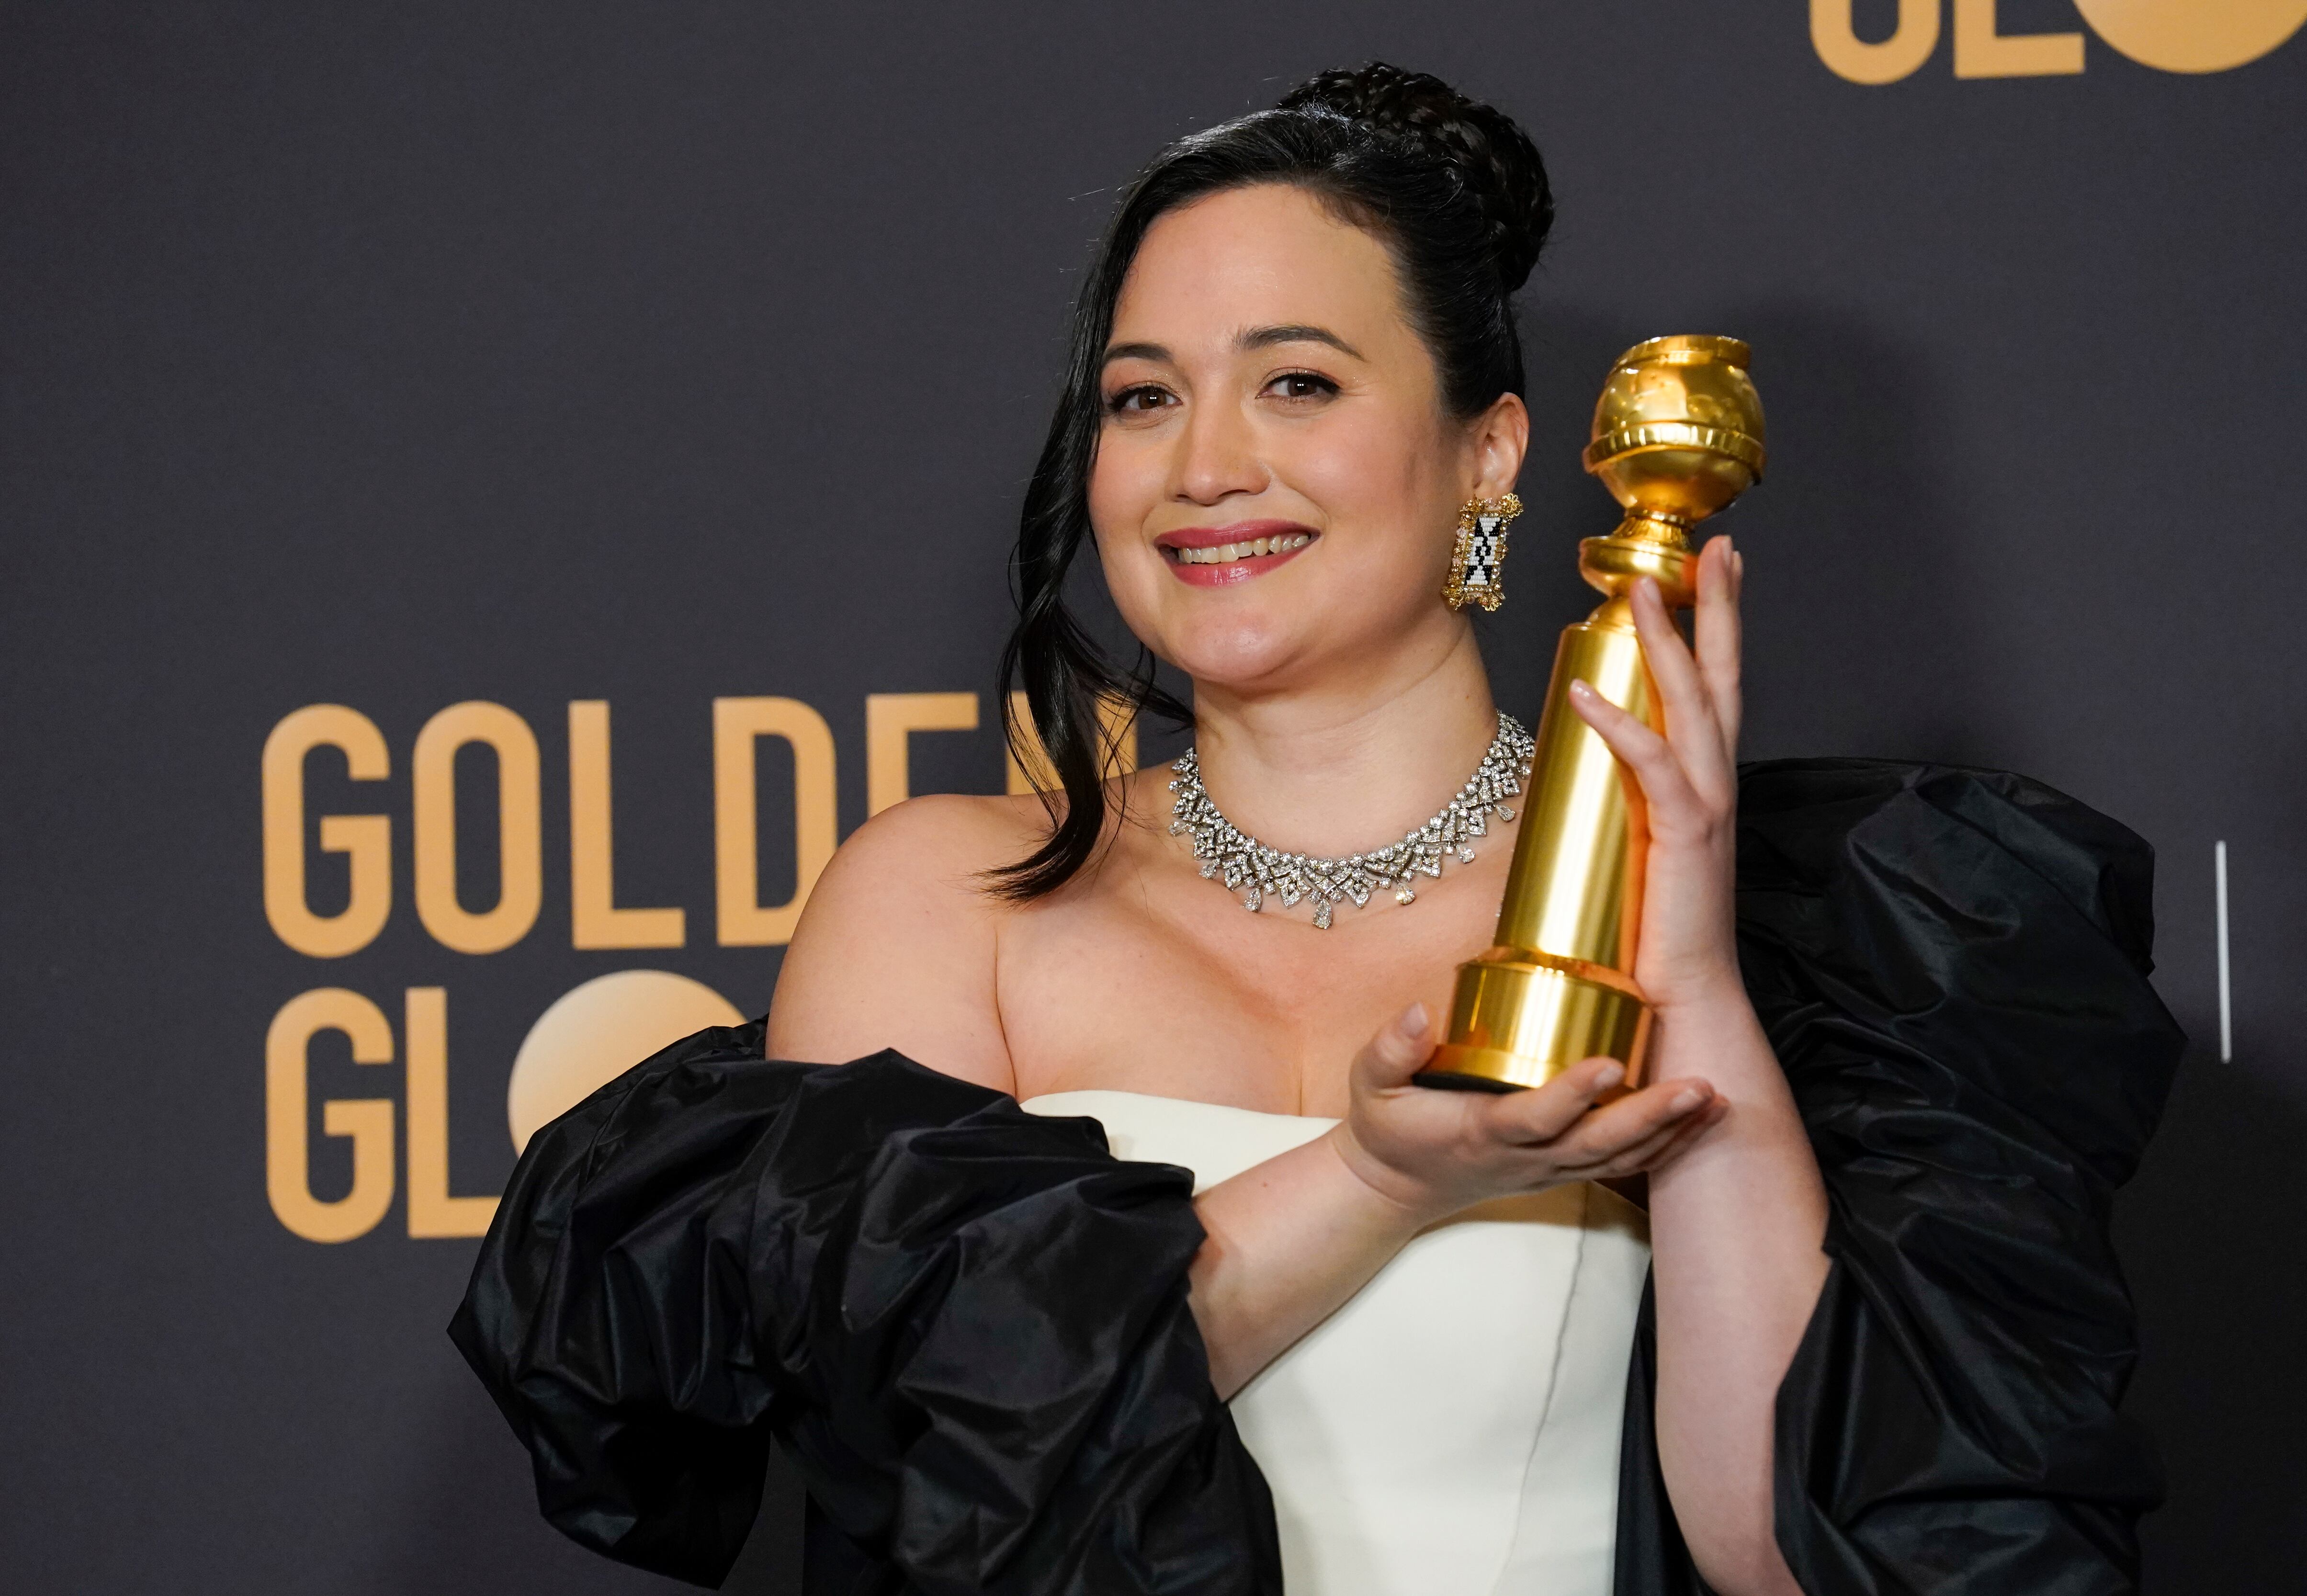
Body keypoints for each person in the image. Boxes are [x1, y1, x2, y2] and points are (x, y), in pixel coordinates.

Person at [453, 64, 2182, 1596]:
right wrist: (1373, 1182)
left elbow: (1794, 1554)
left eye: (1296, 384)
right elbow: (923, 1471)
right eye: (1143, 397)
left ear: (1487, 453)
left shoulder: (1748, 922)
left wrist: (1700, 983)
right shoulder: (944, 900)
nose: (1204, 463)